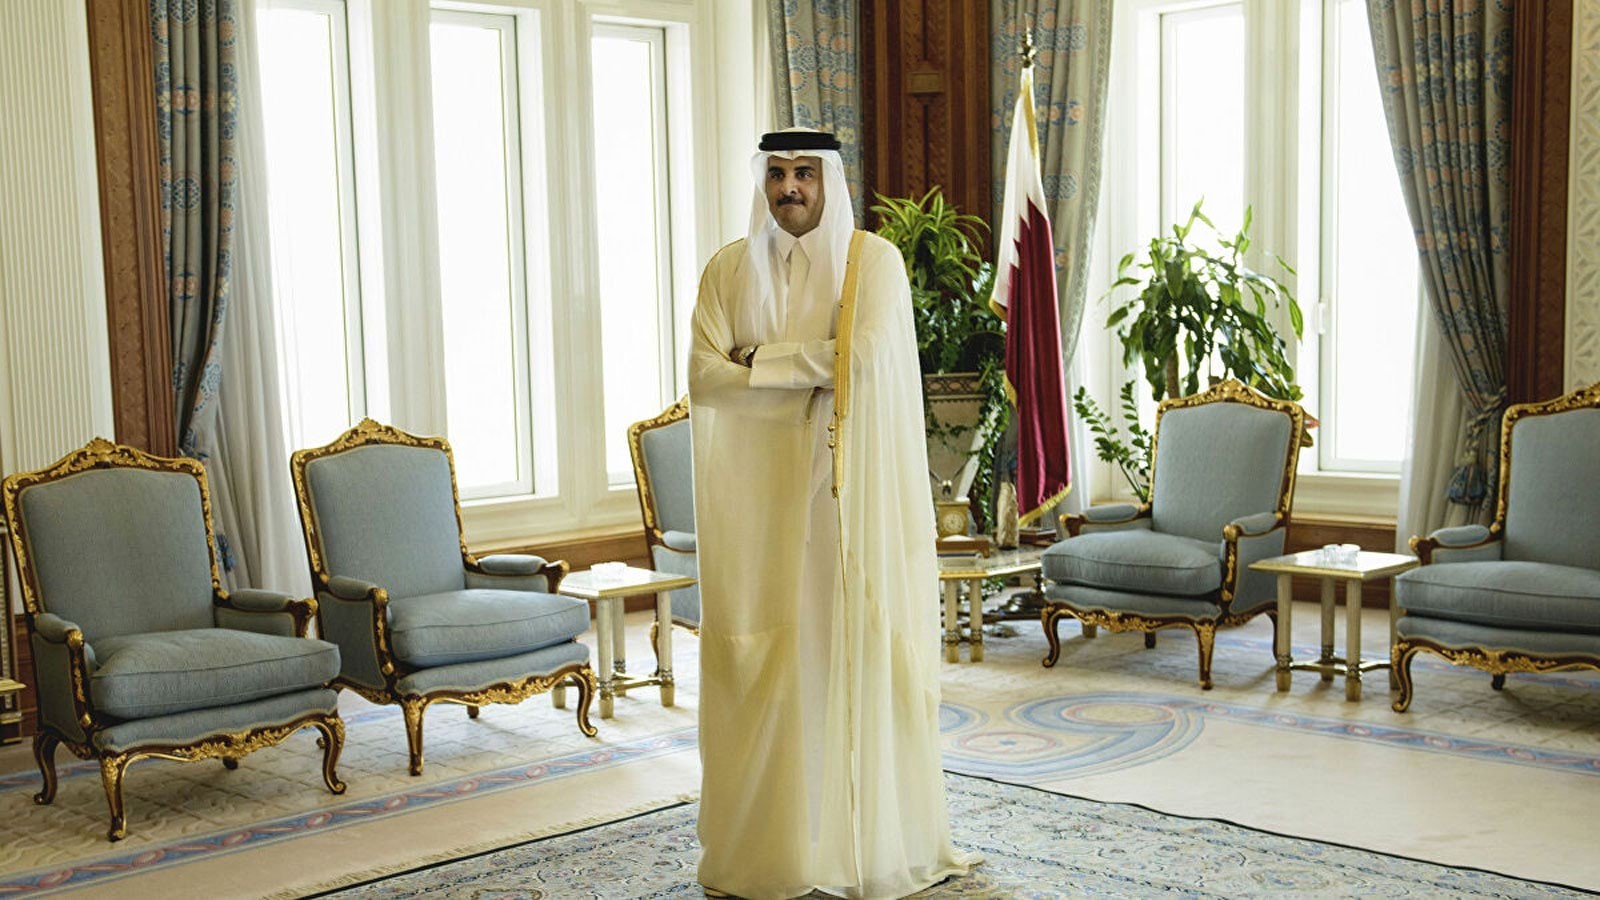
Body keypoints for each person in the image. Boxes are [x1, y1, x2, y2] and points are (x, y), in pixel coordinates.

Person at [688, 128, 979, 899]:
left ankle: (859, 846)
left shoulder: (870, 262)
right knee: (764, 663)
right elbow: (704, 379)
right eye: (777, 173)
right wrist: (813, 370)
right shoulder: (726, 270)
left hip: (845, 502)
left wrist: (761, 362)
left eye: (804, 174)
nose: (789, 188)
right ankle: (771, 850)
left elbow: (867, 358)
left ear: (829, 182)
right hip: (754, 503)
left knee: (845, 655)